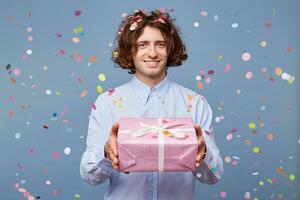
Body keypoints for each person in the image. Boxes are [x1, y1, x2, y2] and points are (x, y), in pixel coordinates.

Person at [80, 9, 223, 200]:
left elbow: (214, 175)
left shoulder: (196, 103)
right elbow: (89, 176)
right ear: (130, 49)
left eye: (160, 44)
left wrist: (202, 153)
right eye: (143, 44)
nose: (153, 53)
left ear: (170, 48)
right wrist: (107, 153)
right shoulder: (107, 102)